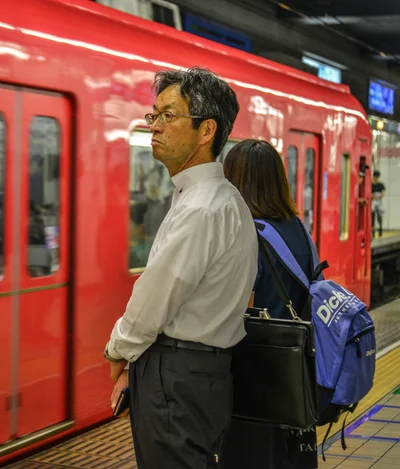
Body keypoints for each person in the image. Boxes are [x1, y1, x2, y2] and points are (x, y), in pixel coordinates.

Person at [104, 67, 258, 468]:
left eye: (168, 116)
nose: (153, 126)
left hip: (176, 377)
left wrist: (118, 349)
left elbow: (155, 298)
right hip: (198, 374)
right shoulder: (220, 200)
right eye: (153, 115)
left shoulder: (203, 208)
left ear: (206, 131)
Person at [221, 139, 319, 469]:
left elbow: (231, 312)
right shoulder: (300, 229)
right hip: (296, 380)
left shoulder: (248, 234)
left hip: (256, 383)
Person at [371, 170, 386, 238]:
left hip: (379, 202)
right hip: (373, 202)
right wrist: (374, 196)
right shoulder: (371, 185)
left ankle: (380, 232)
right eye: (375, 177)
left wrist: (379, 197)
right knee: (372, 218)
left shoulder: (381, 185)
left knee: (380, 218)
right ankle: (372, 233)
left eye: (377, 177)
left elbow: (383, 193)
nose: (376, 178)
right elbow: (369, 193)